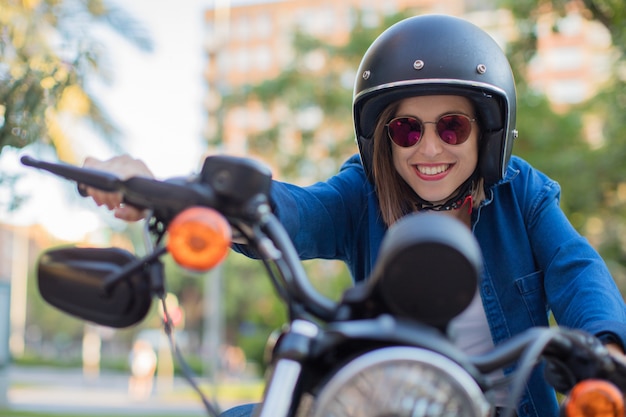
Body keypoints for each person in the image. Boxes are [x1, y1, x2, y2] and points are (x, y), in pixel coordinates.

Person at [82, 14, 626, 417]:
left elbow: (576, 267)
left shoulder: (521, 192)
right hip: (389, 402)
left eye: (452, 126)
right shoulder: (362, 194)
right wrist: (169, 191)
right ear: (382, 139)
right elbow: (293, 210)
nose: (429, 148)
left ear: (485, 136)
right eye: (407, 129)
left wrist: (607, 347)